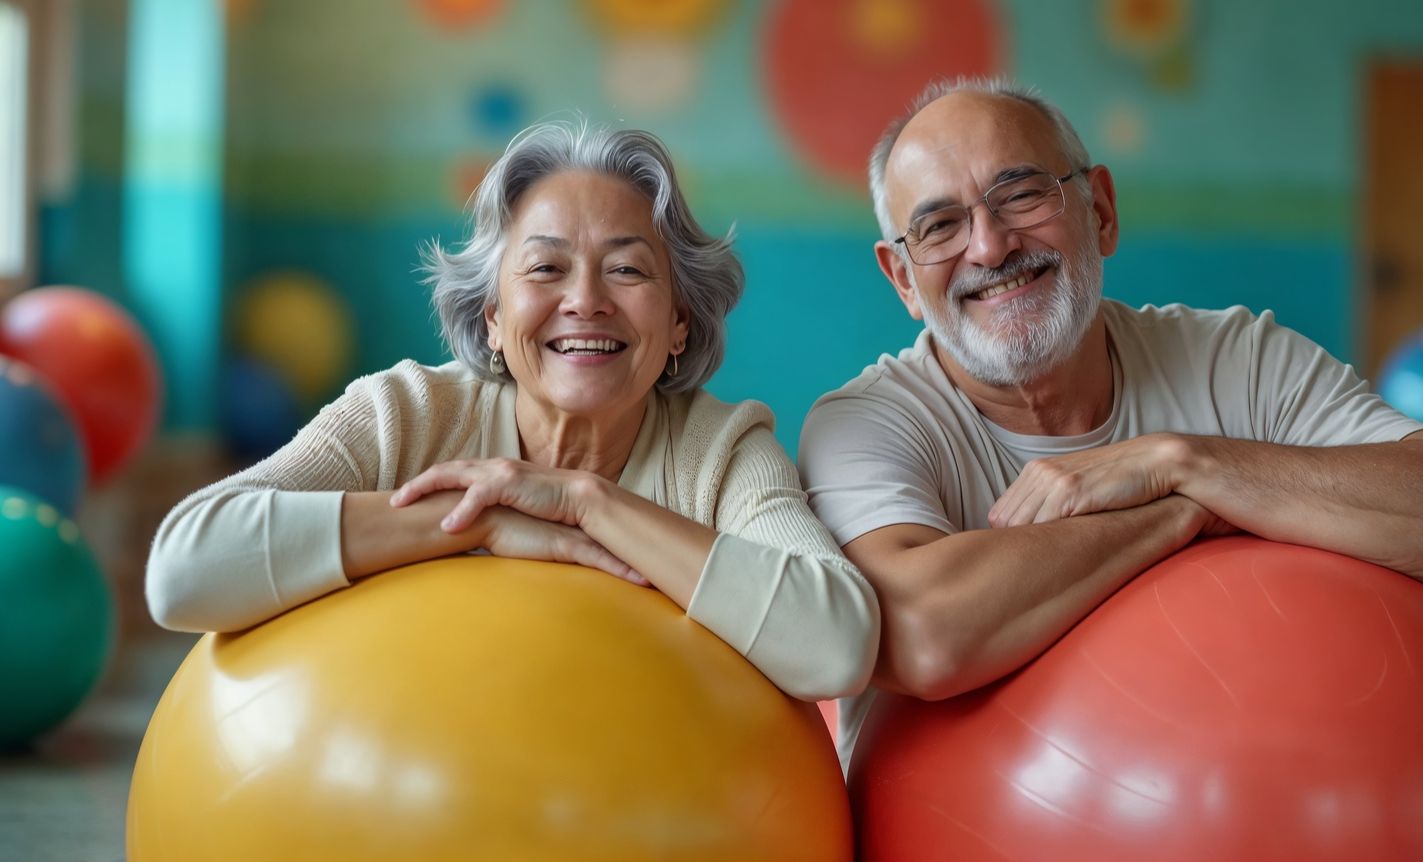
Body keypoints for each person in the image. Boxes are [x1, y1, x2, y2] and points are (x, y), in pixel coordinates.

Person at [798, 77, 1423, 761]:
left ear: (1103, 211)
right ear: (901, 277)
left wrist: (1185, 461)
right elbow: (922, 635)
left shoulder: (1238, 360)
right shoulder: (865, 426)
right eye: (939, 227)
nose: (990, 245)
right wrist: (1186, 514)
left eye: (1021, 196)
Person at [146, 122, 879, 702]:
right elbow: (183, 569)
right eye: (545, 268)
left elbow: (839, 645)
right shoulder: (406, 413)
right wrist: (480, 520)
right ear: (493, 316)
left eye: (627, 269)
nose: (585, 300)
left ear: (680, 321)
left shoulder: (720, 452)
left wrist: (585, 502)